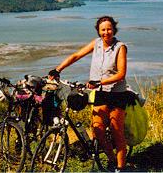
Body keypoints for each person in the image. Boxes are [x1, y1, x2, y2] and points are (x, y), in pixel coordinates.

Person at [48, 15, 130, 171]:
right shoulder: (97, 43)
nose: (106, 32)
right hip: (100, 93)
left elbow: (121, 74)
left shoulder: (120, 47)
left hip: (117, 94)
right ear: (98, 31)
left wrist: (100, 82)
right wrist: (58, 69)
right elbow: (76, 56)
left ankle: (121, 168)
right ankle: (112, 160)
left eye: (109, 29)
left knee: (116, 131)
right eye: (103, 30)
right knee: (97, 129)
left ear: (114, 29)